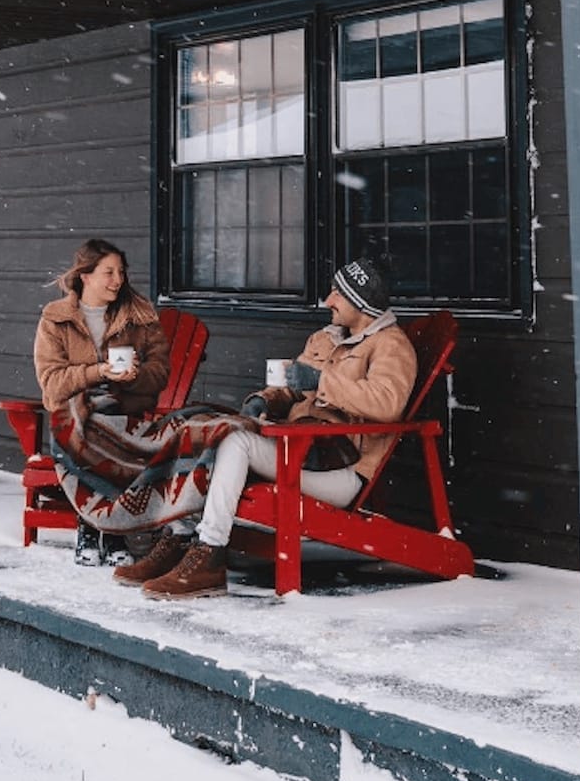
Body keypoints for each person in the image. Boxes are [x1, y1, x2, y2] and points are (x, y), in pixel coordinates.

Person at [115, 253, 417, 600]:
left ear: (361, 302)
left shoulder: (392, 346)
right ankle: (180, 539)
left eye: (338, 293)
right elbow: (291, 387)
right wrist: (263, 400)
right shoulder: (325, 338)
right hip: (299, 452)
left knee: (235, 444)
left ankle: (210, 556)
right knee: (203, 431)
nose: (328, 300)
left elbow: (387, 403)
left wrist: (323, 381)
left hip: (340, 470)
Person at [33, 237, 170, 562]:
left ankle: (94, 527)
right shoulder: (56, 319)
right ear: (86, 276)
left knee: (102, 425)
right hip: (74, 417)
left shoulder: (140, 317)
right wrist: (99, 373)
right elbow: (52, 385)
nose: (118, 280)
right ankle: (111, 531)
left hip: (126, 416)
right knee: (86, 425)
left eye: (121, 272)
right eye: (108, 272)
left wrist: (133, 376)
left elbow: (160, 373)